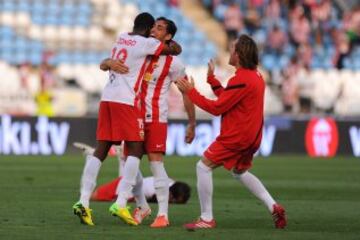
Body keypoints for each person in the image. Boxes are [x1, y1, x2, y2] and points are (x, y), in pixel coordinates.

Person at [72, 12, 181, 226]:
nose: (154, 32)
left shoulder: (122, 36)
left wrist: (106, 62)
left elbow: (108, 62)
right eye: (153, 28)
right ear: (149, 28)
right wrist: (172, 44)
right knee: (136, 148)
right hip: (127, 101)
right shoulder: (147, 44)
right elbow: (174, 50)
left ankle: (83, 201)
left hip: (107, 98)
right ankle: (121, 203)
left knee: (101, 149)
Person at [176, 34, 287, 230]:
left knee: (203, 167)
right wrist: (213, 81)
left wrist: (191, 92)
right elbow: (230, 99)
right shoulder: (255, 76)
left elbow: (217, 108)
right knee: (240, 172)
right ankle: (274, 206)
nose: (230, 49)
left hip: (237, 136)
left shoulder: (241, 78)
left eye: (233, 47)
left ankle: (206, 218)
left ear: (240, 53)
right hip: (253, 137)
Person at [99, 17, 196, 228]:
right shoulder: (142, 51)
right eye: (154, 26)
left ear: (168, 36)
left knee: (155, 163)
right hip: (132, 113)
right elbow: (115, 57)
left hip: (156, 118)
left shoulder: (174, 63)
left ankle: (163, 214)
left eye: (160, 28)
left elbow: (186, 93)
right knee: (129, 163)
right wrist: (107, 62)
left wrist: (192, 122)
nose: (154, 30)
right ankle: (142, 206)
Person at [73, 142, 191, 204]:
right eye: (175, 200)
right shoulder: (159, 190)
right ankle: (90, 158)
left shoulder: (170, 182)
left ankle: (121, 158)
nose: (173, 202)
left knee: (126, 177)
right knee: (86, 196)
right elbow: (154, 198)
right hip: (125, 188)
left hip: (133, 183)